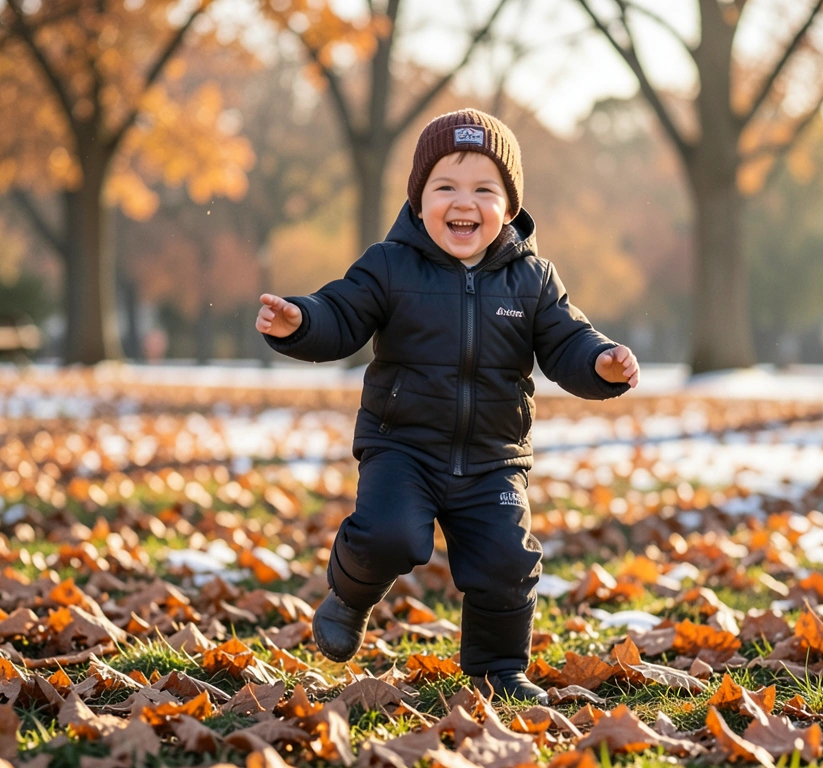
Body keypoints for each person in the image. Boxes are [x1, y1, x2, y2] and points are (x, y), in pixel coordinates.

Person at [256, 109, 639, 702]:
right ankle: (349, 597)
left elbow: (567, 341)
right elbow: (342, 313)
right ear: (417, 201)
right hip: (402, 446)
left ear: (508, 208)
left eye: (485, 189)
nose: (465, 202)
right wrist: (301, 321)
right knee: (390, 536)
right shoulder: (389, 265)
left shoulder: (533, 280)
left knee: (508, 562)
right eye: (446, 187)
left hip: (492, 458)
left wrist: (600, 363)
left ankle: (497, 667)